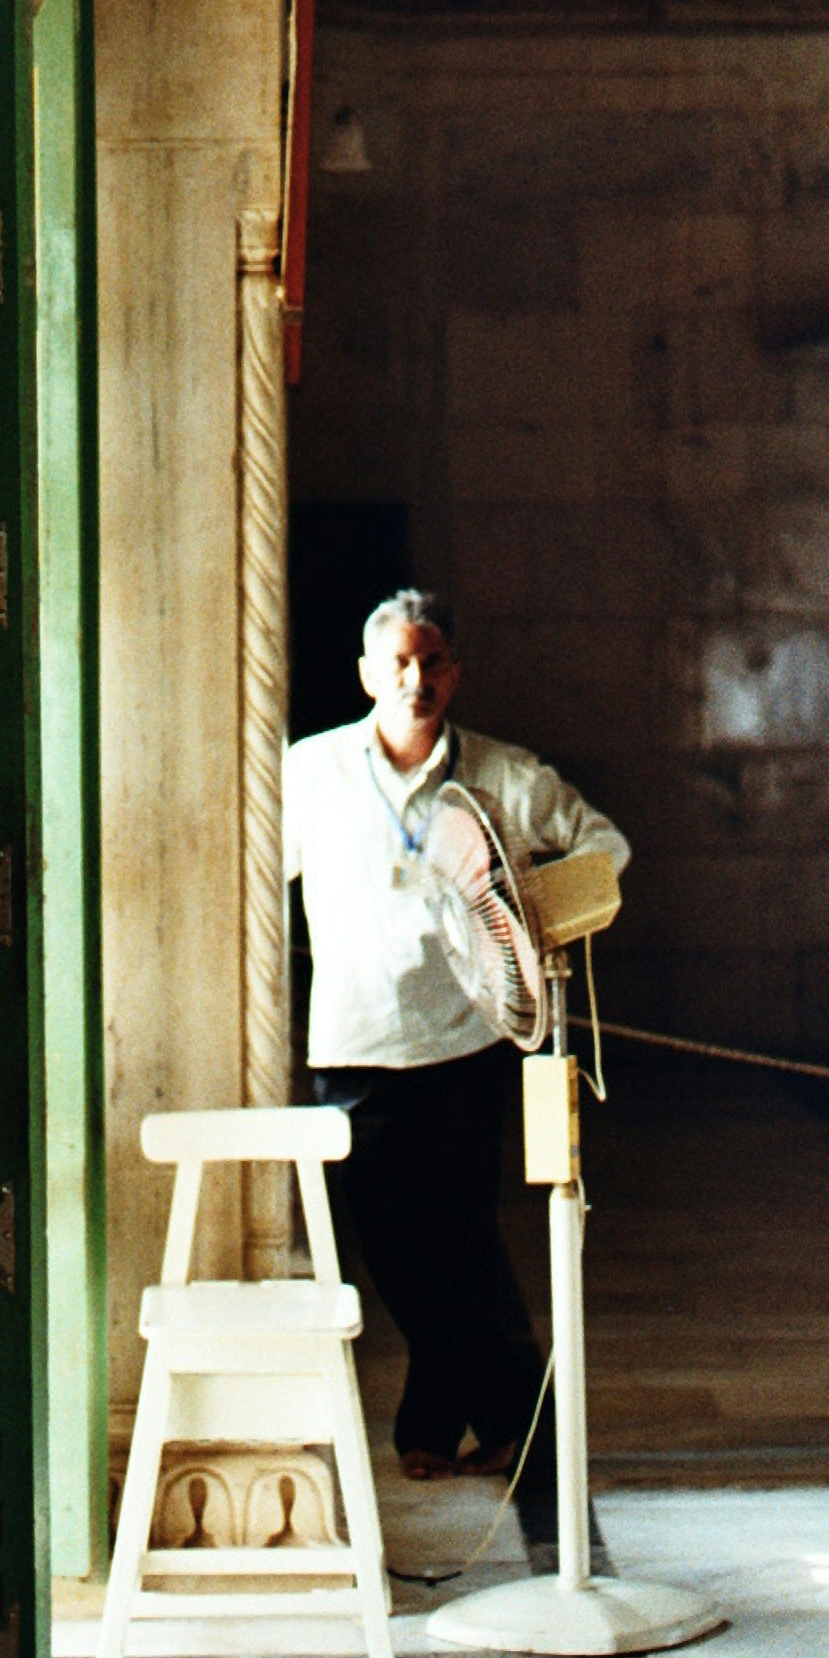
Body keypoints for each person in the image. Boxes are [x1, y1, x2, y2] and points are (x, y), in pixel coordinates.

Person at [284, 588, 631, 1483]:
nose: (416, 679)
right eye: (399, 662)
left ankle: (433, 1431)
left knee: (466, 1242)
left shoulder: (502, 774)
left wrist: (532, 920)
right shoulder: (311, 773)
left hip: (471, 1041)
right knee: (397, 1250)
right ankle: (518, 1419)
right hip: (355, 1047)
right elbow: (245, 877)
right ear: (367, 674)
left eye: (432, 661)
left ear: (455, 671)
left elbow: (605, 847)